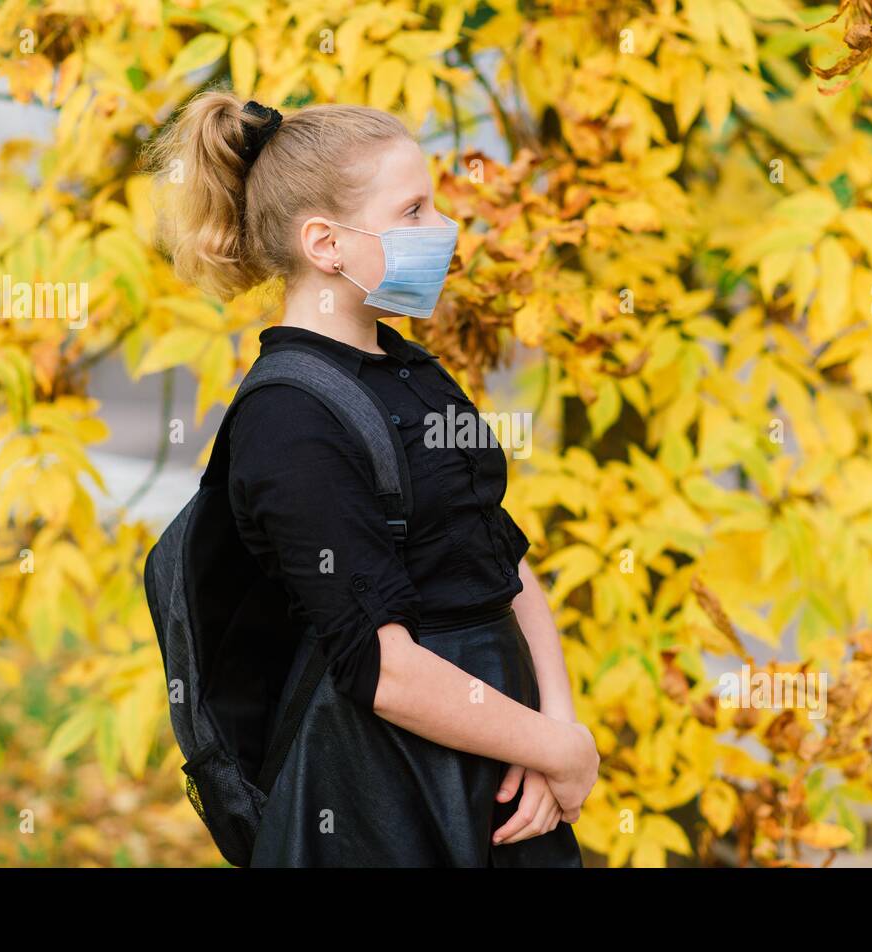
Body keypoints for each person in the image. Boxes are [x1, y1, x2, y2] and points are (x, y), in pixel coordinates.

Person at [147, 92, 598, 866]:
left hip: (505, 769)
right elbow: (381, 667)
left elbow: (499, 555)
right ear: (326, 243)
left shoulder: (410, 368)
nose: (444, 231)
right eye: (415, 209)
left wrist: (559, 733)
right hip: (389, 799)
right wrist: (550, 747)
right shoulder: (289, 418)